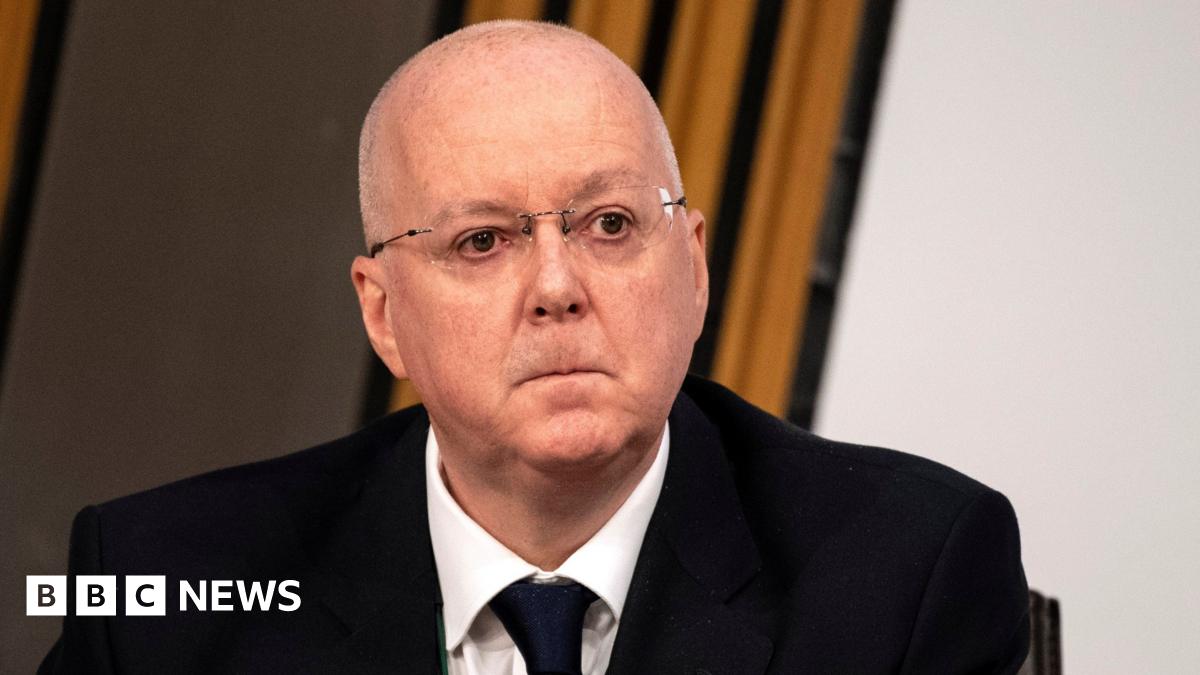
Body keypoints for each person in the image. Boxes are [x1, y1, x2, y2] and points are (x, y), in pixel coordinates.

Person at [41, 20, 1029, 675]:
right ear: (383, 315)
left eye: (607, 225)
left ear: (693, 268)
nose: (557, 287)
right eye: (483, 240)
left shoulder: (906, 574)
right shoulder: (160, 586)